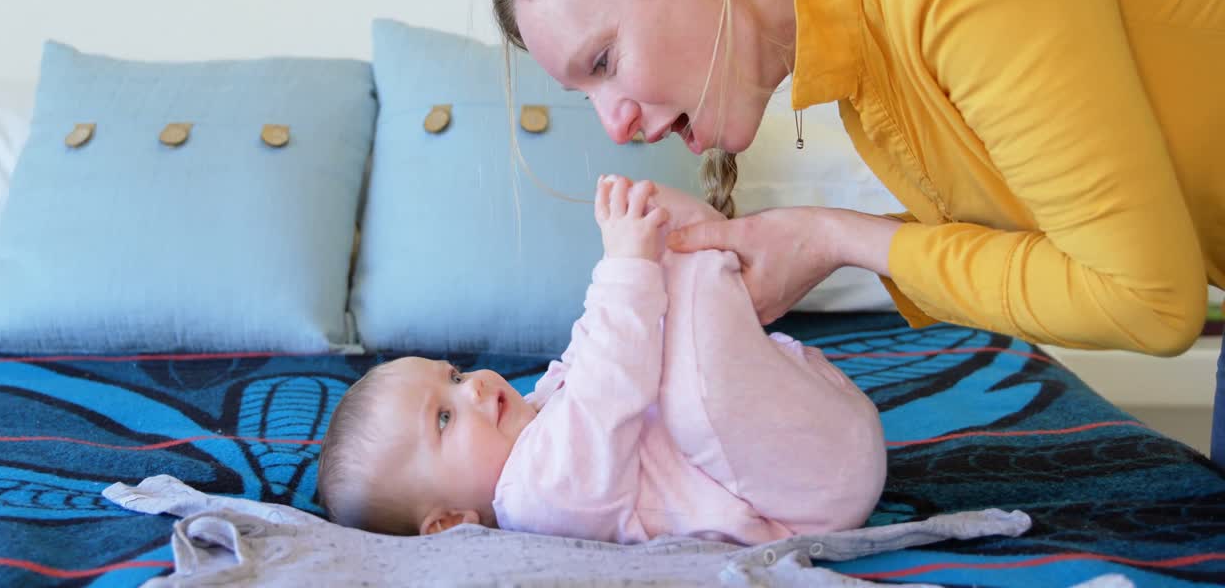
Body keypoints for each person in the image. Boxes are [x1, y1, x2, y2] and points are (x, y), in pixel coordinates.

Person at [487, 0, 1225, 467]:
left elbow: (1147, 300)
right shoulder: (864, 37)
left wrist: (834, 239)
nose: (615, 127)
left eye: (605, 62)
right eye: (585, 94)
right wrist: (824, 242)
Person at [317, 176, 886, 543]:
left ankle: (697, 255)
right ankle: (703, 254)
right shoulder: (536, 496)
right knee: (680, 391)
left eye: (454, 375)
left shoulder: (536, 421)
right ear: (448, 524)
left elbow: (590, 351)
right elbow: (608, 385)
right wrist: (627, 266)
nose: (470, 389)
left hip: (804, 445)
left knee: (658, 340)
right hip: (803, 491)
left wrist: (632, 266)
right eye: (443, 418)